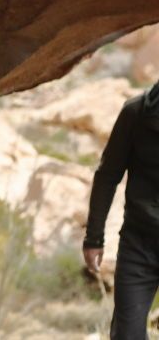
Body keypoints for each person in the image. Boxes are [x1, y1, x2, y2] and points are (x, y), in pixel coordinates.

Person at [83, 81, 159, 340]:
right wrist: (94, 237)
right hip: (139, 244)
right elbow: (107, 176)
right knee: (127, 335)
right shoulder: (136, 113)